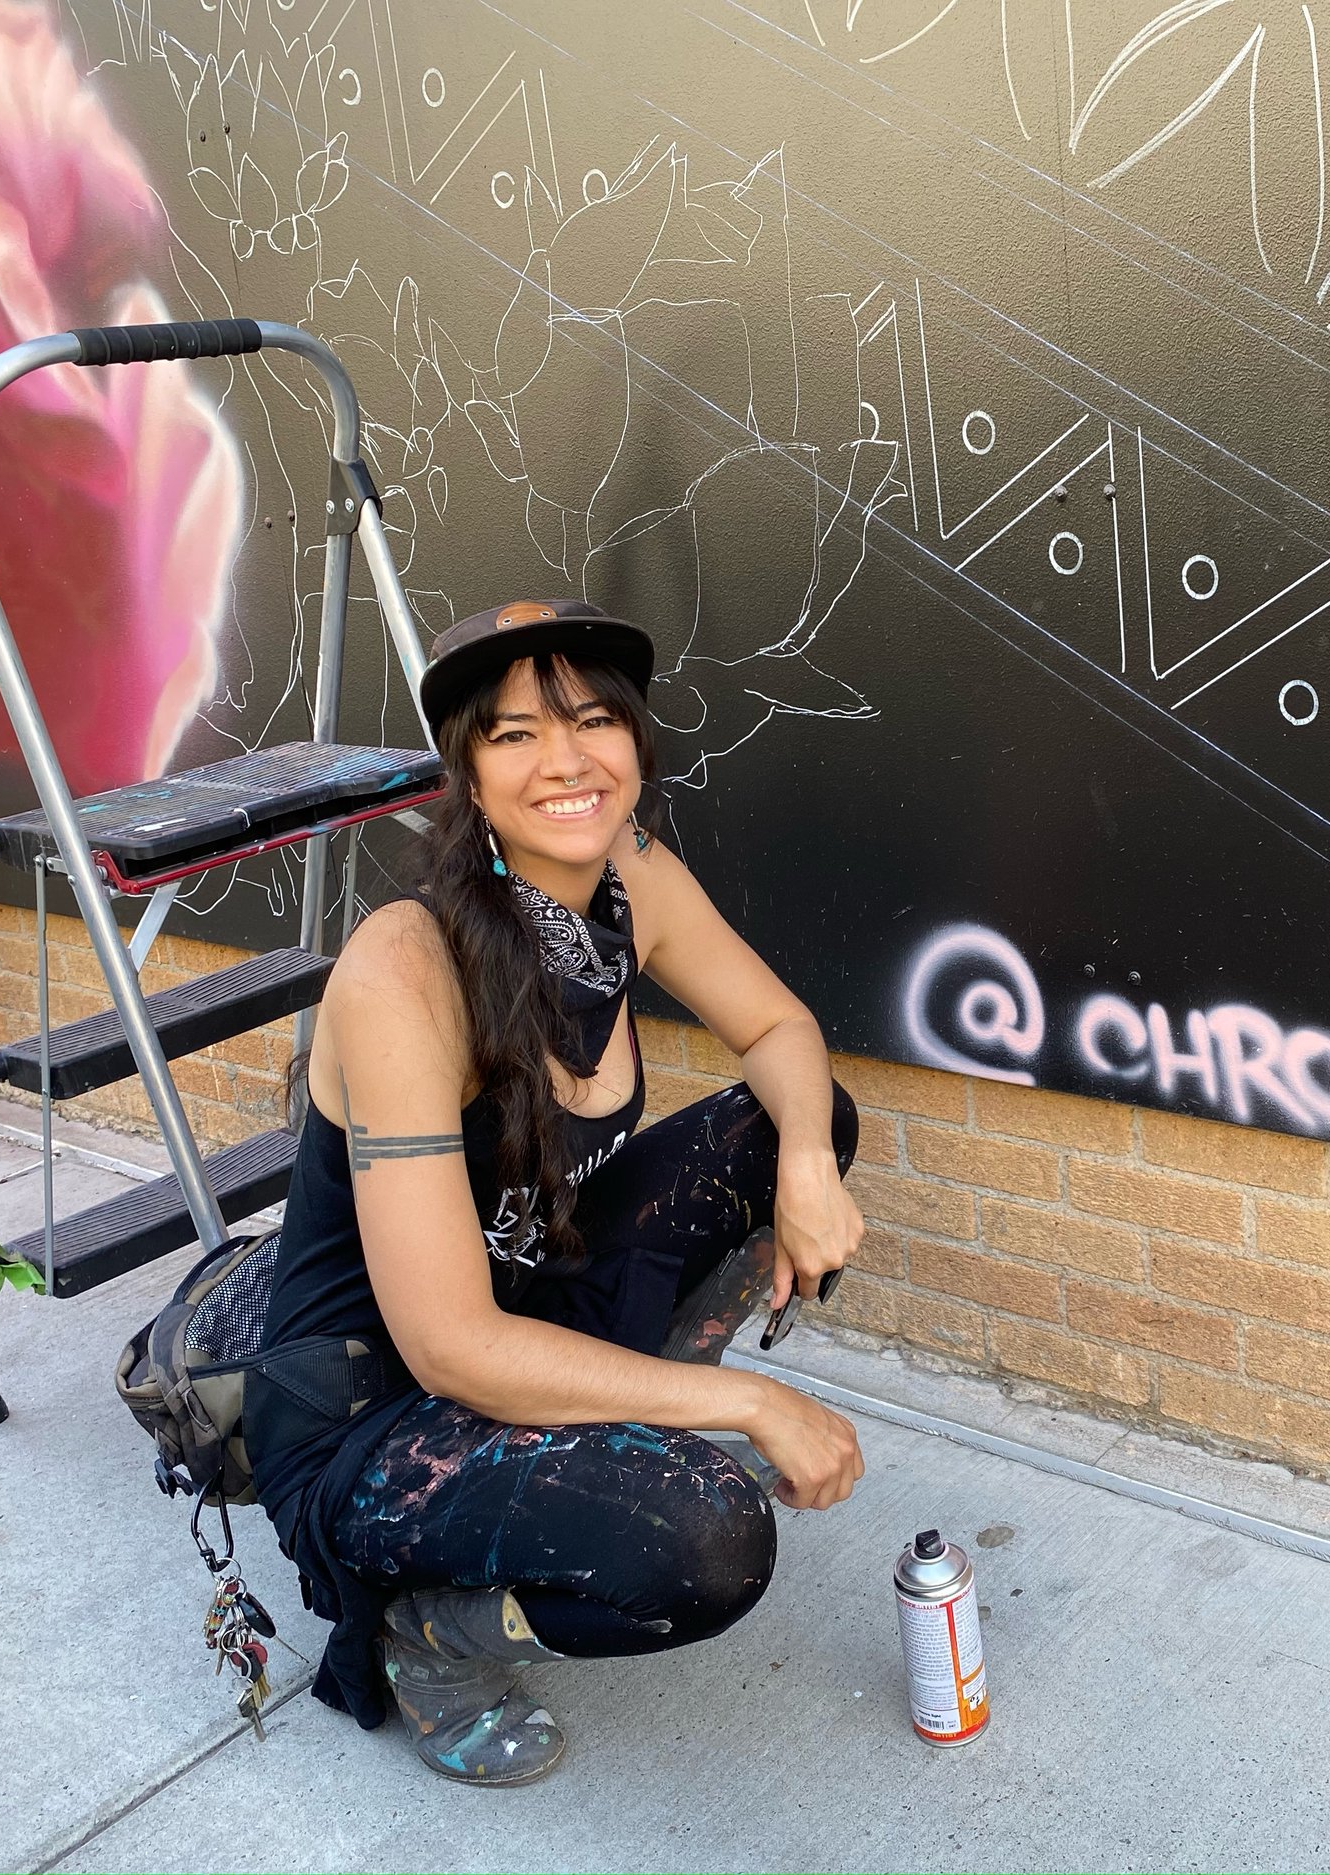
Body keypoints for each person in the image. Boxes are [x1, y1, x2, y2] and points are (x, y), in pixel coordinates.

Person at [247, 598, 867, 1786]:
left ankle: (621, 1421)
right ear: (469, 778)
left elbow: (780, 1026)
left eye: (591, 720)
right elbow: (450, 1348)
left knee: (801, 1117)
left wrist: (804, 1165)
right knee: (705, 1540)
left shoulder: (628, 876)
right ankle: (426, 1637)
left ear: (634, 741)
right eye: (517, 734)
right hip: (375, 1416)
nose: (568, 761)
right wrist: (737, 1408)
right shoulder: (407, 968)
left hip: (537, 1292)